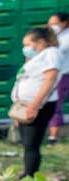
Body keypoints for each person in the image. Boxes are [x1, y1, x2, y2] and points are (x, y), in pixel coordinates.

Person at [11, 27, 61, 177]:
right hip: (24, 105)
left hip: (38, 106)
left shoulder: (51, 53)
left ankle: (30, 176)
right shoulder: (38, 57)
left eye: (28, 45)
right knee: (27, 144)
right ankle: (27, 172)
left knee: (32, 144)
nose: (25, 49)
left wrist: (35, 105)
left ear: (40, 42)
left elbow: (50, 79)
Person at [47, 12, 69, 145]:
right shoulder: (54, 35)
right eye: (50, 23)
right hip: (54, 75)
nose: (51, 26)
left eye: (55, 23)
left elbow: (57, 51)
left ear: (65, 23)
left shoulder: (66, 37)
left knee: (56, 104)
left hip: (63, 75)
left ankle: (53, 138)